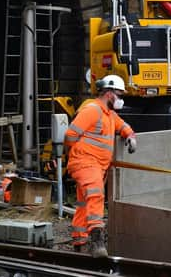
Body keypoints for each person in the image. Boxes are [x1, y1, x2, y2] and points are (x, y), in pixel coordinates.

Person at [64, 74, 137, 257]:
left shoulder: (109, 114)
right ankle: (97, 241)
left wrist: (130, 136)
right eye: (119, 95)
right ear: (109, 93)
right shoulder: (92, 110)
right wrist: (76, 155)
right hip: (85, 162)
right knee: (96, 193)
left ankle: (79, 241)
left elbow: (123, 126)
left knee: (84, 202)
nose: (121, 99)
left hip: (96, 165)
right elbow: (70, 136)